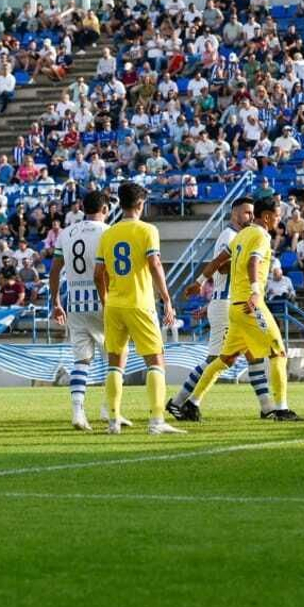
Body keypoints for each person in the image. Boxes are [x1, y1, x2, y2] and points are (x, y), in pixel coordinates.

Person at [180, 195, 303, 423]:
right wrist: (256, 291)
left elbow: (217, 262)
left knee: (224, 359)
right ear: (266, 217)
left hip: (235, 307)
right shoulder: (260, 235)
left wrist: (199, 282)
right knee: (278, 352)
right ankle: (282, 409)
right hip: (250, 305)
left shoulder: (242, 235)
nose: (280, 221)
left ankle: (192, 403)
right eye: (277, 216)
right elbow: (252, 263)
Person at [93, 182, 185, 435]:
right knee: (155, 360)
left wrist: (105, 299)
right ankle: (156, 421)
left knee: (115, 363)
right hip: (140, 304)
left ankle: (113, 420)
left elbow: (98, 273)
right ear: (140, 205)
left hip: (114, 305)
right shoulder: (147, 230)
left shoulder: (108, 233)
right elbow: (154, 263)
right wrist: (166, 299)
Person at [49, 190, 111, 431]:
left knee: (81, 360)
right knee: (115, 355)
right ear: (105, 209)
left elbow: (55, 271)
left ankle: (77, 411)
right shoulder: (108, 232)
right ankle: (109, 408)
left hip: (74, 302)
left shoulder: (66, 233)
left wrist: (56, 302)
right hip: (103, 300)